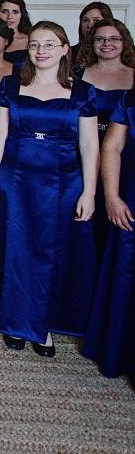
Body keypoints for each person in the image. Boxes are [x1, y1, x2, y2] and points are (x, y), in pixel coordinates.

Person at [0, 22, 99, 357]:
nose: (41, 51)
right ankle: (15, 321)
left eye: (49, 44)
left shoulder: (82, 92)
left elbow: (89, 144)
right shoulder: (11, 85)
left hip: (62, 184)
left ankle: (41, 324)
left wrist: (89, 192)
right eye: (35, 45)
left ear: (63, 49)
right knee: (15, 249)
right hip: (15, 180)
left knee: (50, 253)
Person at [83, 89, 135, 379]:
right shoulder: (130, 100)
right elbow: (112, 148)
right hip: (130, 199)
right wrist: (112, 197)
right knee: (125, 275)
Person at [77, 18, 135, 253]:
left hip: (123, 157)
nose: (106, 43)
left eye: (113, 39)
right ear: (91, 43)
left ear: (125, 42)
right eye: (100, 39)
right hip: (82, 153)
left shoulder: (134, 76)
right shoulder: (77, 75)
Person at [0, 0, 31, 64]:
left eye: (15, 12)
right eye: (4, 12)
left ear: (22, 15)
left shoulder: (31, 40)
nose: (10, 16)